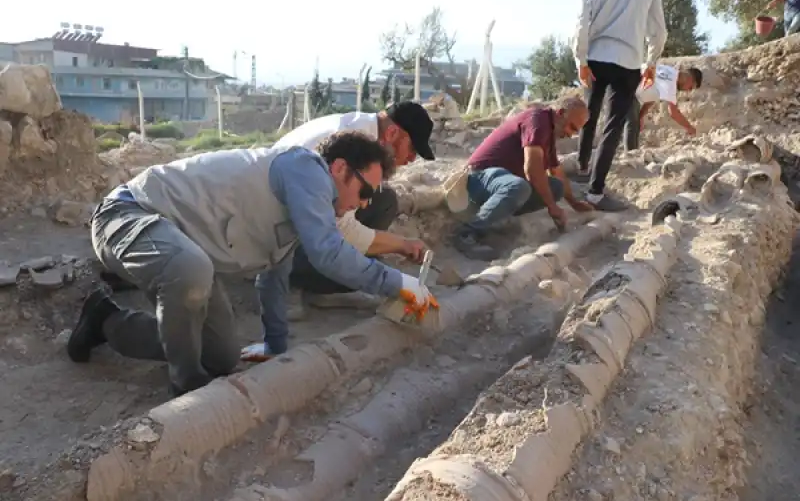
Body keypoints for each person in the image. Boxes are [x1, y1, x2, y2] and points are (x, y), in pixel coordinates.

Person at [67, 131, 438, 397]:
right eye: (365, 192)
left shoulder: (303, 212)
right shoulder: (305, 170)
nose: (364, 205)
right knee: (192, 270)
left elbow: (273, 276)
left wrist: (276, 344)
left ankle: (105, 320)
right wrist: (399, 283)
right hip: (128, 215)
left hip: (186, 251)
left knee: (222, 356)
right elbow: (328, 254)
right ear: (339, 169)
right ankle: (185, 386)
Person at [242, 101, 435, 361]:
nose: (412, 159)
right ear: (391, 134)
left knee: (383, 199)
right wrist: (398, 277)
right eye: (412, 149)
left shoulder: (361, 138)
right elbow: (338, 235)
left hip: (300, 216)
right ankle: (297, 283)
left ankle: (328, 284)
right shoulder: (343, 146)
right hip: (273, 229)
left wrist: (400, 246)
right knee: (352, 254)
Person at [452, 98, 594, 261]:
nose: (571, 135)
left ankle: (499, 219)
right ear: (560, 114)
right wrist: (552, 207)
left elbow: (557, 172)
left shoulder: (549, 134)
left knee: (556, 187)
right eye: (572, 127)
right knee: (519, 186)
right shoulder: (538, 120)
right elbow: (532, 168)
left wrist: (574, 203)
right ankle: (466, 233)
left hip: (502, 182)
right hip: (479, 178)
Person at [572, 0, 668, 211]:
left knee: (589, 115)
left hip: (596, 56)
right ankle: (595, 193)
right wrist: (651, 62)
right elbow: (658, 30)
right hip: (629, 63)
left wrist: (580, 59)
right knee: (613, 127)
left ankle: (583, 166)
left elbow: (583, 18)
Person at [624, 66, 703, 151]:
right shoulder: (671, 83)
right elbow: (674, 113)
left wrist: (641, 116)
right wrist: (689, 127)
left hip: (633, 94)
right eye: (690, 87)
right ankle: (630, 157)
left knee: (634, 125)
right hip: (627, 89)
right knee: (631, 124)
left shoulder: (669, 72)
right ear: (690, 79)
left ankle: (632, 156)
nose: (688, 91)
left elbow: (652, 96)